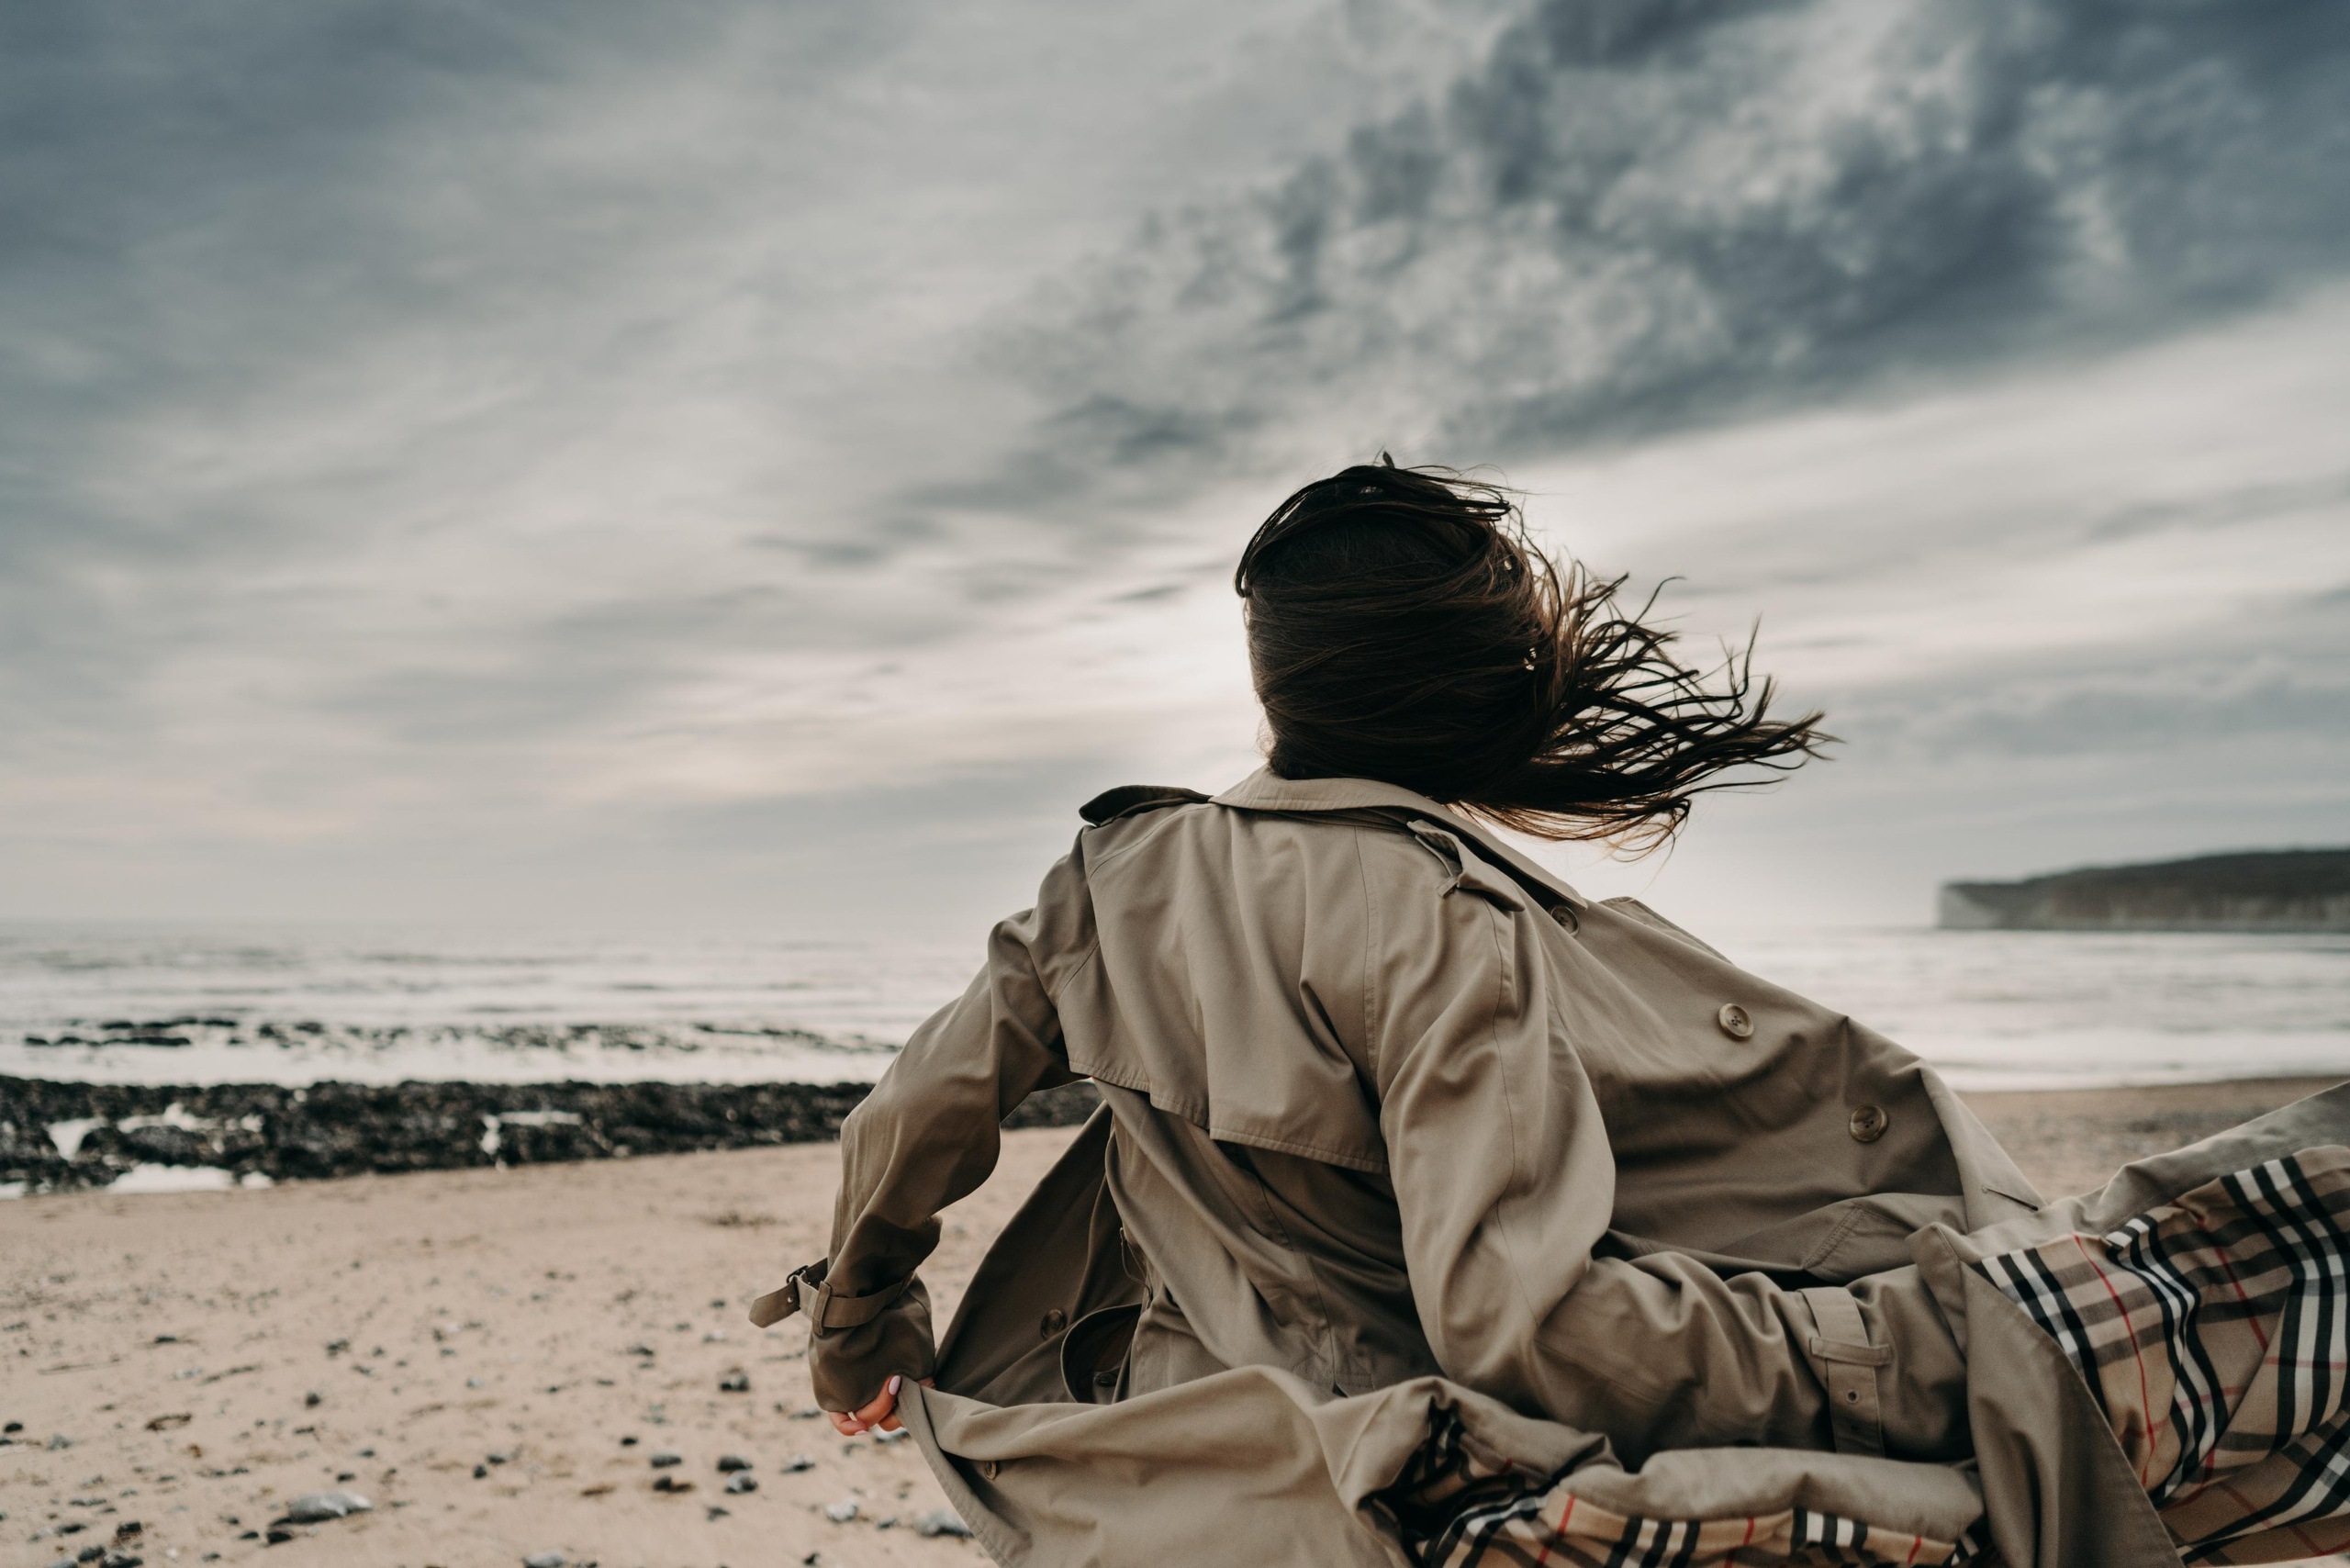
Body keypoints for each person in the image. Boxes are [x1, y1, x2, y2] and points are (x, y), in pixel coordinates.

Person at [755, 463, 2350, 1567]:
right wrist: (1900, 1348)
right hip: (1398, 1493)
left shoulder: (1111, 874)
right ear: (1472, 686)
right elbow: (1523, 1325)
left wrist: (856, 1339)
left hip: (1183, 1476)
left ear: (1274, 684)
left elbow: (909, 1122)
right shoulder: (1448, 925)